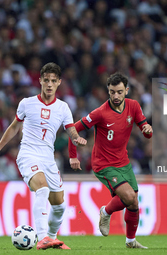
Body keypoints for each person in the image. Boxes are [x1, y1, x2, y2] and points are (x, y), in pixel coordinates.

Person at [0, 62, 87, 250]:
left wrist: (76, 139)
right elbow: (14, 127)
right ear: (40, 80)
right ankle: (42, 237)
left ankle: (52, 238)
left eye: (53, 81)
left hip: (48, 159)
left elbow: (71, 131)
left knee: (59, 205)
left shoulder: (63, 107)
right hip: (28, 154)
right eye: (46, 80)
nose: (49, 84)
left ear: (59, 83)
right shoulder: (27, 103)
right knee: (42, 188)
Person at [68, 72, 153, 248]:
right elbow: (73, 129)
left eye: (119, 92)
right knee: (129, 196)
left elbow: (145, 130)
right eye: (112, 92)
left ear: (127, 91)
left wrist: (147, 129)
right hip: (103, 164)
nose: (116, 96)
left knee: (134, 202)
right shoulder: (100, 113)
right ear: (108, 91)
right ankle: (105, 212)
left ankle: (130, 241)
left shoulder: (134, 106)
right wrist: (72, 155)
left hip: (123, 161)